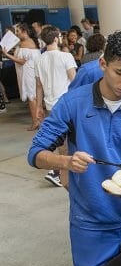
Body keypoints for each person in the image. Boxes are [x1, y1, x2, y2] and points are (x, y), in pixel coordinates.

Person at [28, 31, 121, 266]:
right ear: (102, 64)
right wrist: (66, 162)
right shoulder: (73, 103)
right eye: (120, 72)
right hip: (90, 223)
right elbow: (35, 154)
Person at [35, 25, 77, 187]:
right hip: (67, 104)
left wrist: (38, 107)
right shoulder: (66, 56)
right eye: (59, 36)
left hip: (50, 104)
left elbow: (38, 86)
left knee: (58, 139)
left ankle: (58, 171)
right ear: (55, 38)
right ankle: (58, 172)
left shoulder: (39, 59)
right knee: (68, 141)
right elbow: (75, 81)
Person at [2, 23, 41, 130]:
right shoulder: (24, 42)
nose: (16, 34)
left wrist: (7, 55)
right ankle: (37, 120)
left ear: (25, 31)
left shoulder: (27, 43)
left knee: (31, 97)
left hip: (28, 73)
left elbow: (22, 61)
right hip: (27, 72)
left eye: (18, 31)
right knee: (33, 97)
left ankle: (35, 121)